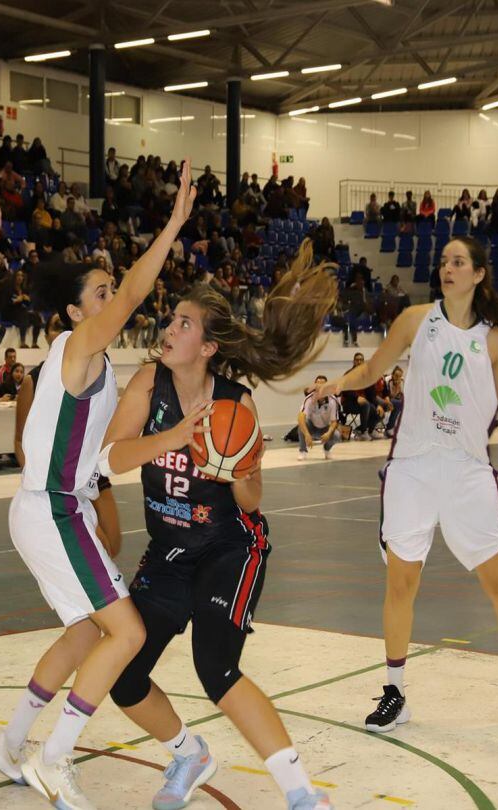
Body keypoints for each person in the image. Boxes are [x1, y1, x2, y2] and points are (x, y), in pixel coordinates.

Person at [0, 159, 197, 809]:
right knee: (126, 634)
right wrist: (173, 226)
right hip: (51, 510)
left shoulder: (97, 365)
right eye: (101, 292)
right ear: (77, 311)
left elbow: (106, 455)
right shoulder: (76, 346)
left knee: (84, 633)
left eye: (110, 289)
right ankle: (54, 759)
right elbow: (133, 296)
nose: (113, 297)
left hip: (54, 508)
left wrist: (172, 436)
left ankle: (9, 744)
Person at [102, 245, 338, 810]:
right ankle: (190, 754)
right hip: (168, 549)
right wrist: (175, 437)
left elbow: (252, 500)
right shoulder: (148, 384)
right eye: (172, 319)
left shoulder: (237, 403)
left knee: (215, 666)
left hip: (231, 546)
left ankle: (302, 794)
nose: (169, 328)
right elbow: (109, 458)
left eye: (184, 323)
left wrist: (240, 471)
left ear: (208, 347)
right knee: (124, 677)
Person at [313, 235, 498, 737]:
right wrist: (337, 384)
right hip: (412, 468)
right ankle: (394, 692)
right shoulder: (416, 320)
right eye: (444, 261)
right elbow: (373, 369)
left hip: (468, 472)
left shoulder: (495, 341)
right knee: (401, 585)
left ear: (478, 274)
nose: (447, 268)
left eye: (458, 261)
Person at [298, 374, 341, 461]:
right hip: (312, 426)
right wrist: (307, 434)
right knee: (301, 426)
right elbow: (301, 417)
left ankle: (327, 449)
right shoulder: (309, 399)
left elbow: (334, 422)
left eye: (322, 384)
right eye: (318, 383)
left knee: (337, 435)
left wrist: (328, 433)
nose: (320, 386)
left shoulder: (333, 400)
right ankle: (303, 451)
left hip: (325, 428)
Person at [384, 365, 404, 437]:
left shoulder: (402, 381)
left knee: (403, 403)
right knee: (399, 403)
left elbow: (403, 395)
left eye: (400, 376)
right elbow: (388, 396)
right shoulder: (387, 380)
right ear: (392, 375)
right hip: (386, 400)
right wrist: (397, 387)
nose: (398, 378)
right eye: (396, 376)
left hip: (396, 400)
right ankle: (390, 428)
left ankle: (400, 428)